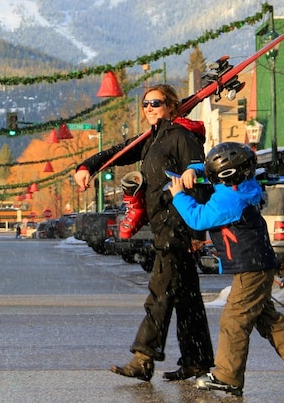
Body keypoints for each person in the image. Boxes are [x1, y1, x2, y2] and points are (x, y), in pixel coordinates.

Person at [74, 84, 214, 382]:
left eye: (156, 103)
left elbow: (198, 173)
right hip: (164, 226)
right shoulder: (152, 138)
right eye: (146, 103)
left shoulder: (182, 136)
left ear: (172, 106)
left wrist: (197, 230)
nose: (149, 108)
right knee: (186, 298)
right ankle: (196, 360)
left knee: (160, 292)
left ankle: (143, 357)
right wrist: (87, 166)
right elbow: (118, 152)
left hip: (178, 226)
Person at [170, 142, 284, 396]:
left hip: (251, 268)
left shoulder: (229, 199)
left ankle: (228, 377)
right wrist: (193, 169)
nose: (209, 176)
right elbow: (217, 168)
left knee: (234, 319)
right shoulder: (241, 187)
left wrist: (179, 195)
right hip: (257, 264)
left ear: (225, 176)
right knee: (267, 319)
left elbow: (198, 219)